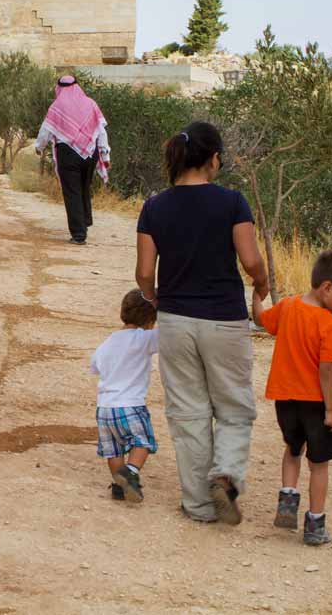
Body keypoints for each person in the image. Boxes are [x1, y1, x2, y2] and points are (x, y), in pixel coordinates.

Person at [135, 121, 269, 525]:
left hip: (175, 320)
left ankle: (197, 505)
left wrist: (155, 298)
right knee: (233, 406)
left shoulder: (154, 206)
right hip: (224, 319)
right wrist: (260, 285)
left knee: (188, 412)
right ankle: (225, 473)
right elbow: (249, 261)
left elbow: (144, 271)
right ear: (214, 159)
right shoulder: (232, 203)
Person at [251, 249, 332, 546]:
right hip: (315, 403)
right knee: (320, 463)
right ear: (328, 288)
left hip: (284, 399)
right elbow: (326, 370)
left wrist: (257, 295)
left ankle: (287, 502)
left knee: (292, 449)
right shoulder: (329, 324)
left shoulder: (288, 306)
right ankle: (315, 524)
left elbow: (262, 319)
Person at [90, 289, 160, 502]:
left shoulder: (107, 342)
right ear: (150, 319)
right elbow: (169, 333)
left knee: (113, 451)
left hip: (104, 408)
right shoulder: (144, 338)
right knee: (143, 443)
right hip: (130, 405)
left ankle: (118, 487)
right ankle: (130, 472)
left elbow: (95, 367)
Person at [34, 76, 110, 245]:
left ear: (58, 88)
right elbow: (101, 131)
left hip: (68, 154)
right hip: (90, 153)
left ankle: (78, 234)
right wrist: (105, 154)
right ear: (77, 86)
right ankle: (84, 222)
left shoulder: (57, 106)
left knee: (72, 192)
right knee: (84, 188)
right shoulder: (91, 103)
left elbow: (45, 130)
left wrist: (39, 147)